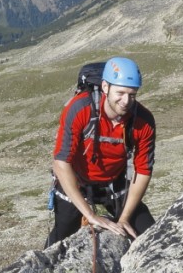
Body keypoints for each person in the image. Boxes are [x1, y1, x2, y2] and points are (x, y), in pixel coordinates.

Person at [46, 56, 156, 245]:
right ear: (105, 87)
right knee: (59, 240)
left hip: (114, 182)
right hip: (75, 180)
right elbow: (61, 162)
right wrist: (90, 215)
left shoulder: (143, 121)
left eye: (132, 94)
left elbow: (143, 171)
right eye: (120, 93)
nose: (126, 101)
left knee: (149, 235)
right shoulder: (80, 108)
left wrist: (124, 219)